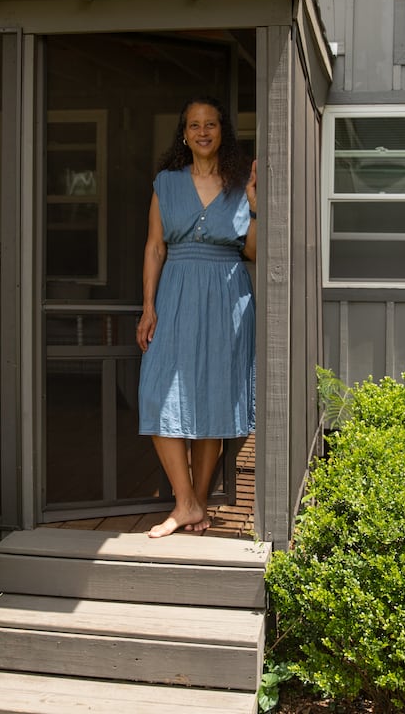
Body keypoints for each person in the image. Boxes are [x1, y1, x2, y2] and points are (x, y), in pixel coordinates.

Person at [136, 96, 257, 538]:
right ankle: (185, 501)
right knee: (156, 394)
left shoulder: (240, 183)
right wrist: (149, 306)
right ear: (184, 135)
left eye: (211, 124)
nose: (203, 131)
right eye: (194, 125)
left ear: (222, 131)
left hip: (227, 297)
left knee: (214, 397)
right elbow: (155, 247)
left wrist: (255, 206)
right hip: (175, 294)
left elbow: (253, 251)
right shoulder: (167, 183)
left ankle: (196, 504)